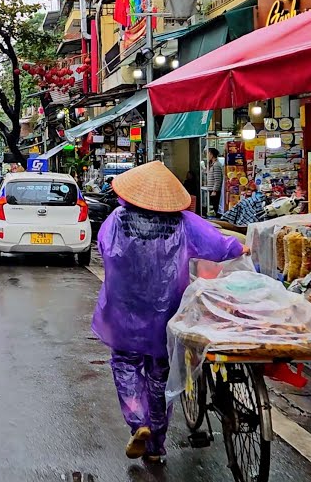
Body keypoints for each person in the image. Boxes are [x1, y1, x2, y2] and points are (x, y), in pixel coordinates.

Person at [91, 161, 245, 464]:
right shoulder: (183, 222)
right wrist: (240, 249)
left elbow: (104, 249)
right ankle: (156, 443)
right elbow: (218, 245)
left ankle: (139, 422)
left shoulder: (117, 219)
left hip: (124, 310)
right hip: (166, 312)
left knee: (125, 366)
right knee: (160, 375)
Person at [204, 148, 224, 217]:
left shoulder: (216, 165)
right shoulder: (212, 165)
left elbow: (218, 179)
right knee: (213, 206)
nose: (207, 155)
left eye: (208, 153)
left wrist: (215, 190)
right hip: (211, 189)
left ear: (212, 155)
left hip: (214, 191)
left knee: (215, 207)